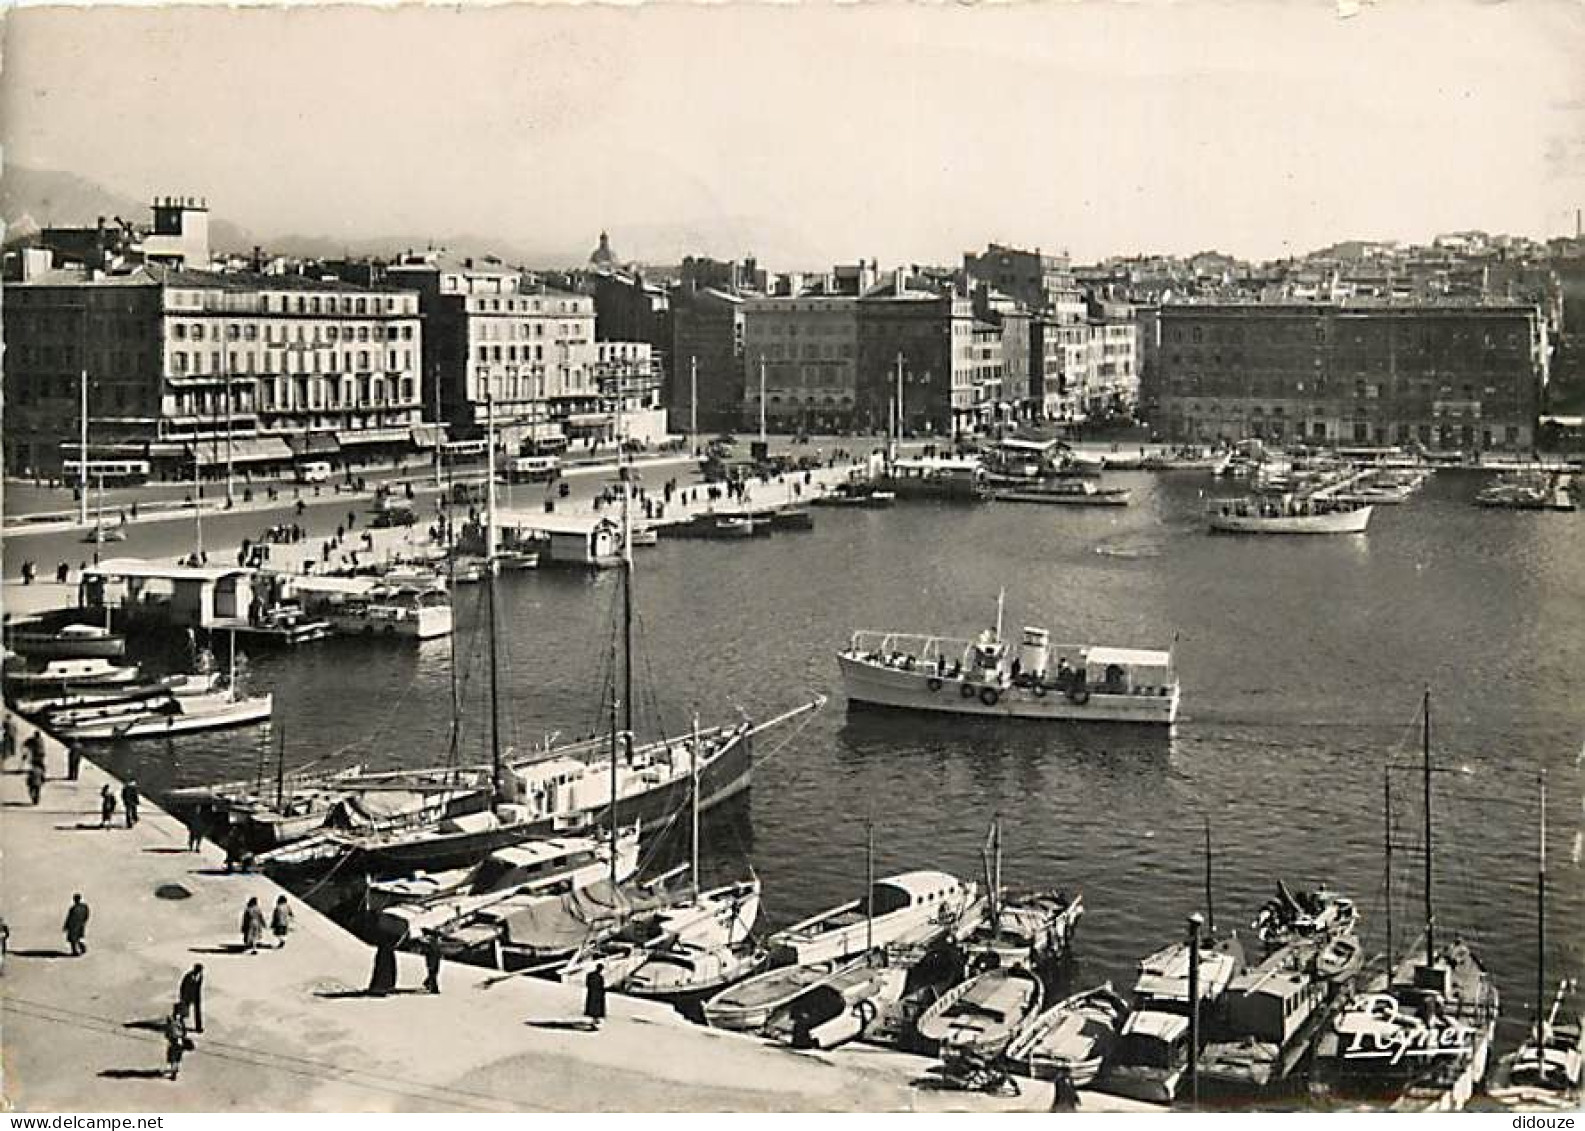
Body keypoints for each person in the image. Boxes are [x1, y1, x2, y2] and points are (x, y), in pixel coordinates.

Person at [163, 1004, 189, 1081]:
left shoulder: (170, 1019)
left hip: (173, 1040)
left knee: (172, 1056)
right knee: (177, 1057)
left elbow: (168, 1030)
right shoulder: (181, 1020)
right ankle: (175, 1069)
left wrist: (168, 1036)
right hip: (180, 1041)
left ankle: (173, 1071)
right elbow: (184, 1031)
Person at [583, 963, 607, 1031]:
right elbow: (600, 985)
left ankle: (594, 1019)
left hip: (594, 993)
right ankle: (594, 1020)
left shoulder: (592, 975)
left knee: (594, 1007)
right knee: (595, 1008)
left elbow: (588, 984)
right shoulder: (598, 976)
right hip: (596, 993)